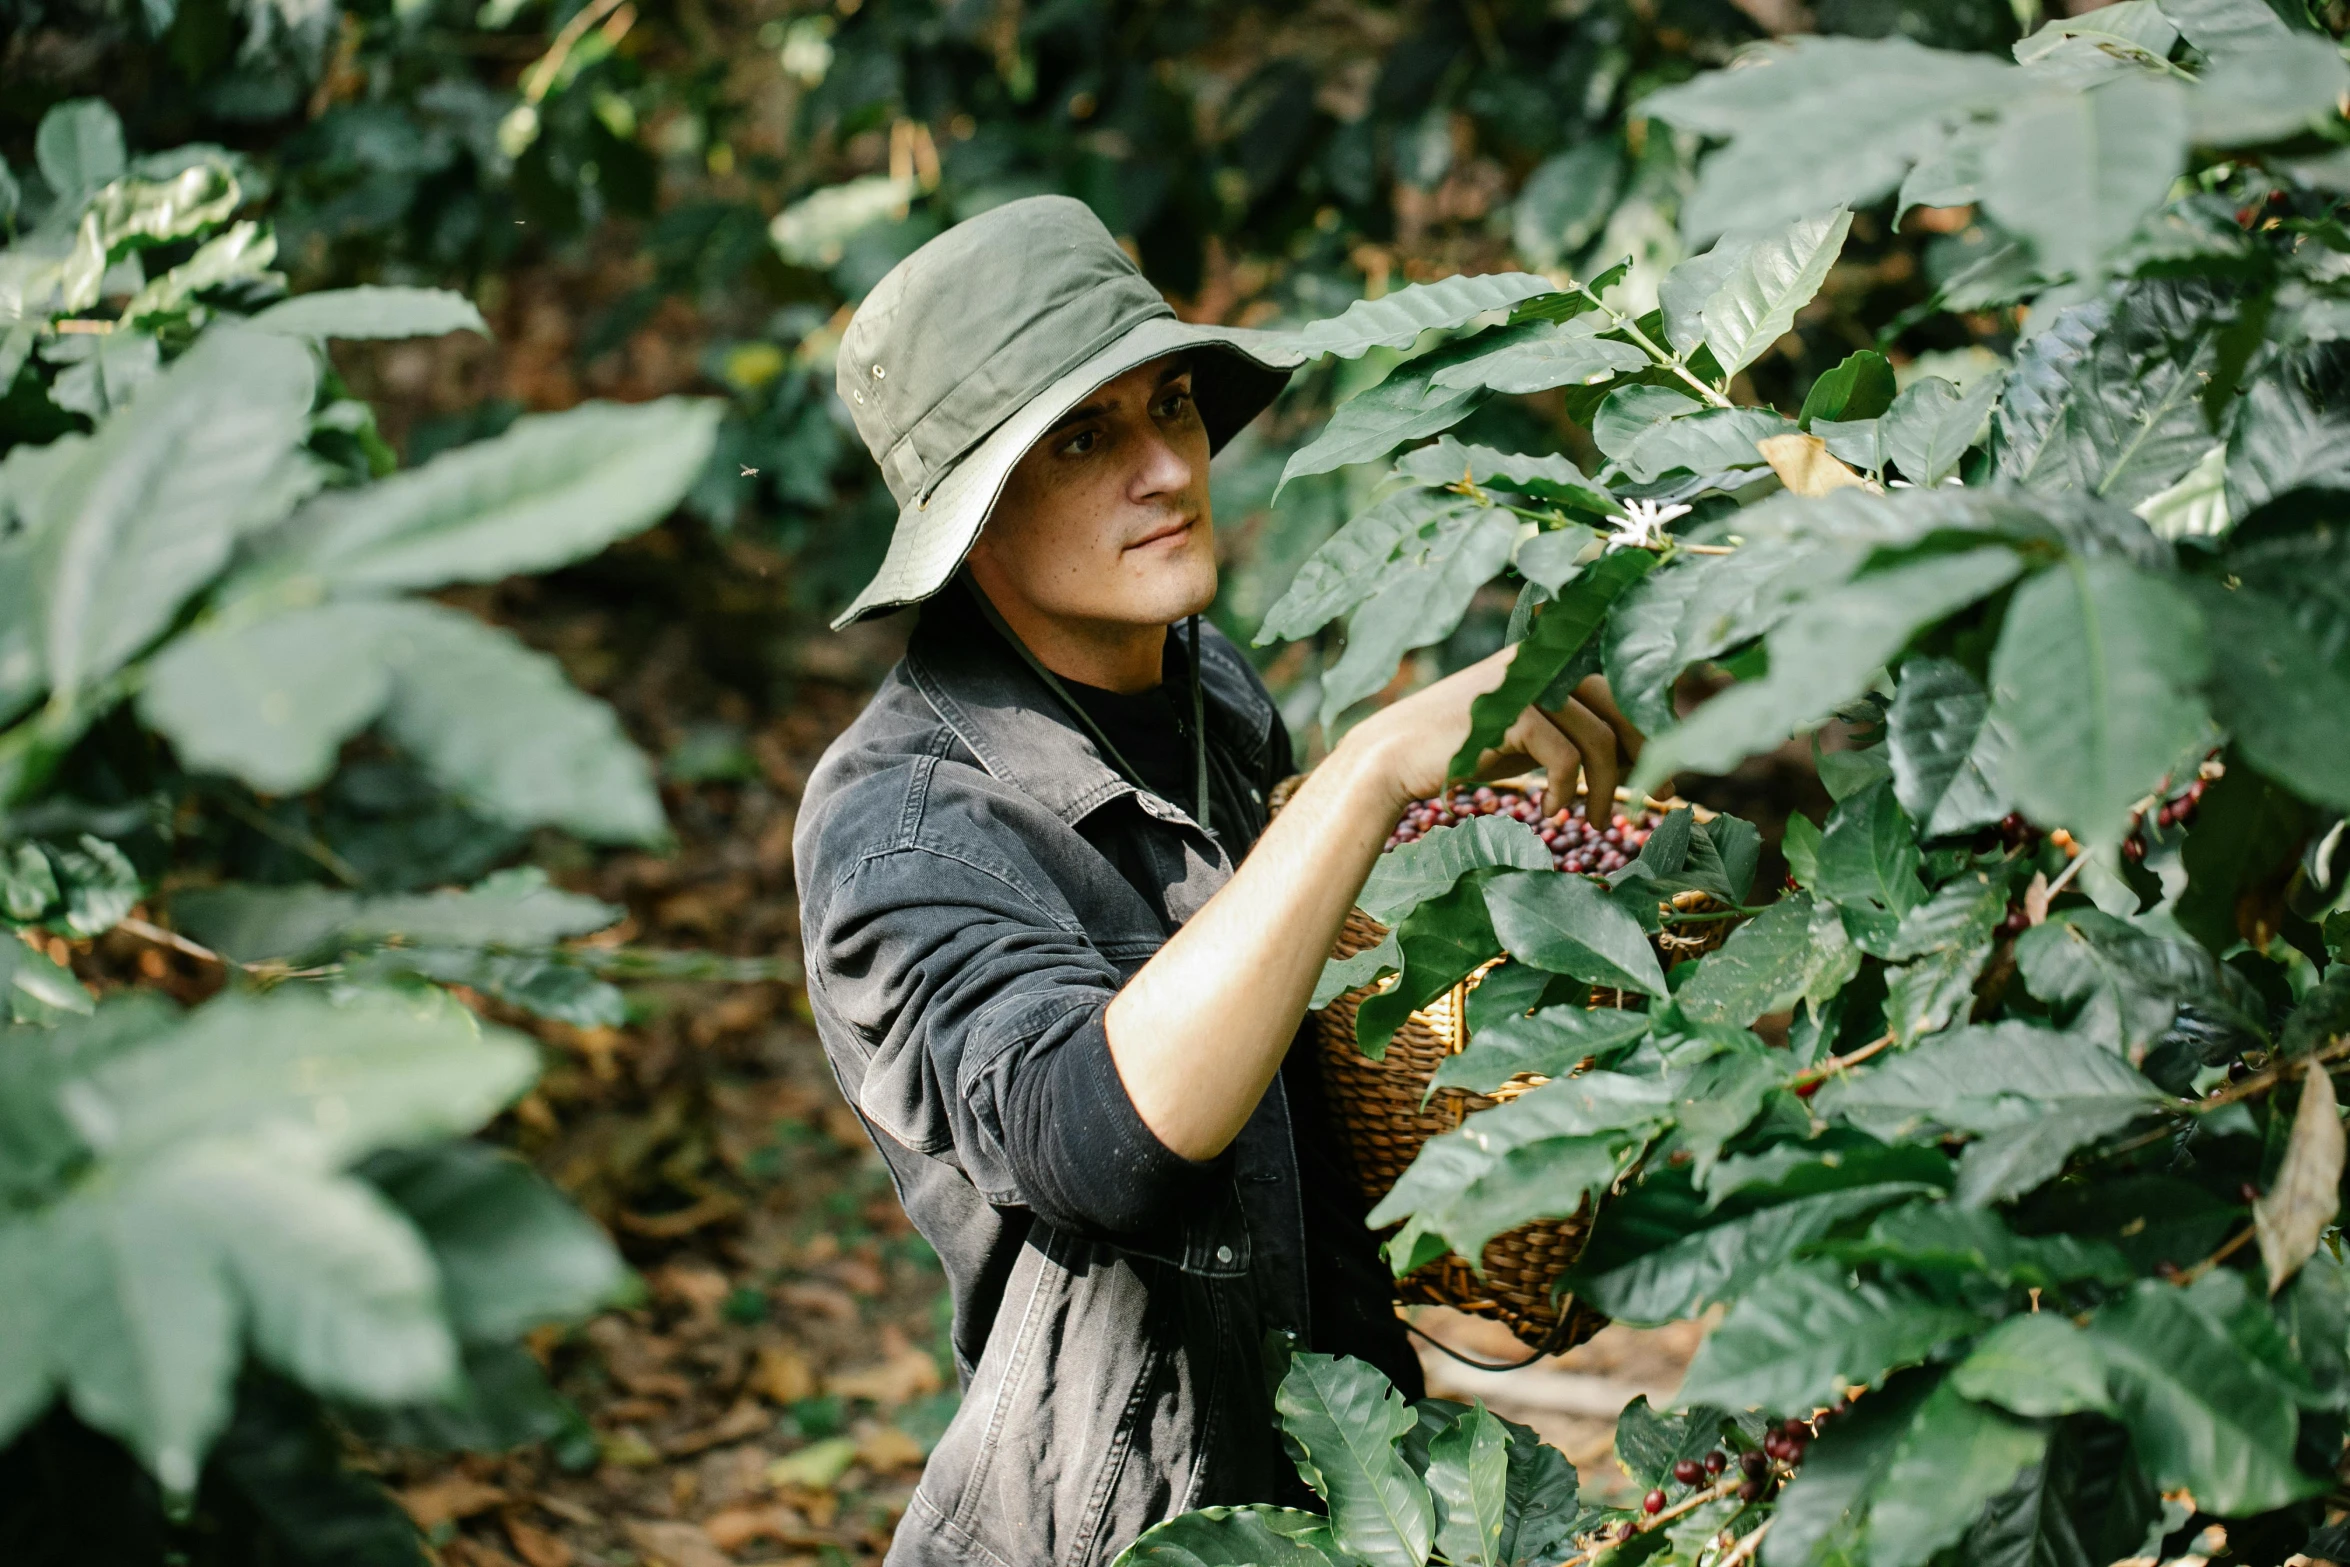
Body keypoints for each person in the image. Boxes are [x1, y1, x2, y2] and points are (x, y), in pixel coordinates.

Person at [793, 195, 1642, 1567]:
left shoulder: (1208, 693)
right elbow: (1098, 1142)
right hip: (1117, 1530)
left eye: (1170, 406)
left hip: (1342, 1482)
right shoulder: (901, 820)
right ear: (974, 516)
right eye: (1082, 438)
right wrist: (1367, 776)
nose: (1167, 468)